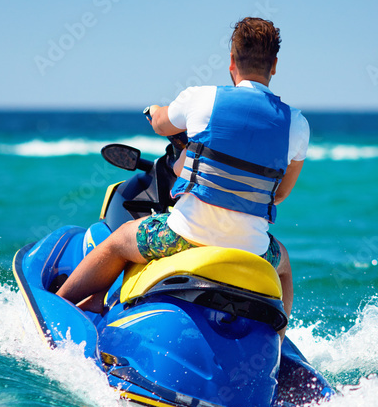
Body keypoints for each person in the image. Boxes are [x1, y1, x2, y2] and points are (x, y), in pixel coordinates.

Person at [56, 17, 308, 322]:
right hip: (253, 249)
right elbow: (279, 194)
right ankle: (278, 340)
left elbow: (163, 123)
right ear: (275, 65)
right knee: (284, 265)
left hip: (187, 235)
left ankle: (61, 306)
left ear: (232, 61)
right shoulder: (297, 124)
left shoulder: (202, 98)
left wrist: (153, 111)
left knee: (119, 240)